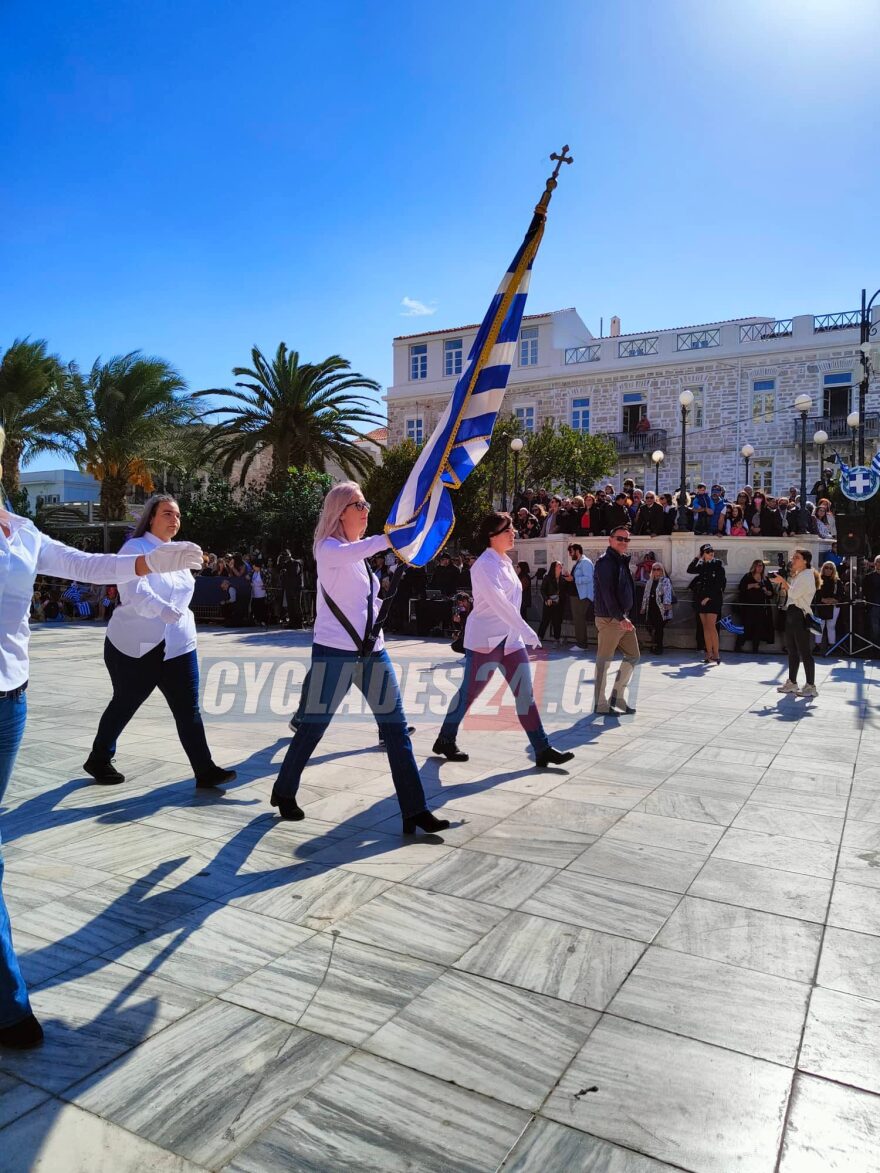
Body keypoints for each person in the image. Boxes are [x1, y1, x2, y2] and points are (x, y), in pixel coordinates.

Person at [0, 429, 203, 1051]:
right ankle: (8, 1004)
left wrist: (154, 560)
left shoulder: (19, 531)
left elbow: (88, 566)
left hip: (10, 702)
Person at [272, 482, 448, 835]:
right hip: (335, 652)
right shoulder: (328, 549)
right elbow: (364, 550)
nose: (367, 509)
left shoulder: (356, 555)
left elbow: (363, 602)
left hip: (372, 652)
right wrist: (393, 537)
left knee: (397, 731)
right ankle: (284, 791)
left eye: (366, 503)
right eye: (359, 504)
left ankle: (414, 809)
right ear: (340, 511)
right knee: (312, 729)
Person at [85, 495, 236, 788]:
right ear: (151, 517)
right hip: (135, 646)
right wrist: (161, 609)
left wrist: (174, 616)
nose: (174, 520)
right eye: (167, 513)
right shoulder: (135, 548)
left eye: (178, 515)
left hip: (179, 645)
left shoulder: (179, 553)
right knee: (125, 703)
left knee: (188, 709)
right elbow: (133, 591)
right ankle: (99, 757)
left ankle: (204, 770)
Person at [433, 512, 574, 769]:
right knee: (469, 694)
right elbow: (500, 604)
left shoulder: (505, 561)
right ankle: (445, 739)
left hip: (511, 639)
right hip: (486, 640)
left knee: (525, 695)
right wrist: (528, 630)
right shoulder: (483, 566)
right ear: (492, 536)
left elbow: (511, 603)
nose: (514, 533)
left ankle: (542, 748)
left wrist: (520, 632)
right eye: (507, 530)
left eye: (512, 529)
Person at [593, 526, 640, 714]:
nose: (623, 542)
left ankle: (617, 696)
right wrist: (620, 617)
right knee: (604, 661)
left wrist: (625, 616)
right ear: (610, 540)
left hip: (622, 618)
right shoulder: (605, 562)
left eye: (626, 540)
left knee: (634, 655)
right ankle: (600, 704)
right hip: (610, 618)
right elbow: (607, 593)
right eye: (619, 539)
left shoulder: (620, 561)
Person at [773, 549, 820, 697]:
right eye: (793, 557)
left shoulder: (807, 575)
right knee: (792, 650)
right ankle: (792, 682)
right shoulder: (799, 575)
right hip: (792, 613)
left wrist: (783, 582)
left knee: (805, 651)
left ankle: (811, 686)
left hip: (800, 614)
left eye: (797, 558)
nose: (793, 560)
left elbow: (793, 593)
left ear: (805, 561)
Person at [687, 543, 726, 665]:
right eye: (708, 551)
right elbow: (690, 569)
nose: (711, 553)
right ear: (703, 553)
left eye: (712, 551)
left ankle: (716, 654)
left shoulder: (718, 564)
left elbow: (720, 584)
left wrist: (708, 598)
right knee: (705, 627)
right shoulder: (702, 565)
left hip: (713, 599)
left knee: (711, 626)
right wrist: (698, 557)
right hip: (701, 598)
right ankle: (708, 653)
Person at [735, 560, 776, 653]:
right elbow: (741, 587)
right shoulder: (748, 576)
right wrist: (754, 585)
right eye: (758, 566)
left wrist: (766, 591)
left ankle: (755, 648)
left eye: (761, 566)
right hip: (749, 607)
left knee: (759, 627)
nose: (760, 567)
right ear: (754, 566)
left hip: (761, 607)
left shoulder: (765, 578)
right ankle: (738, 646)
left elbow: (772, 593)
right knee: (745, 626)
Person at [565, 544, 594, 650]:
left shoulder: (585, 562)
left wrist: (573, 579)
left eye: (571, 552)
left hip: (582, 596)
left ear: (577, 551)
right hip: (577, 596)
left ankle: (582, 644)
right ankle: (581, 643)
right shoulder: (579, 563)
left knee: (579, 619)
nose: (569, 554)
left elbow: (589, 578)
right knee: (578, 619)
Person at [640, 561, 673, 653]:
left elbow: (667, 593)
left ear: (662, 570)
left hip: (661, 608)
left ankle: (659, 647)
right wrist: (643, 607)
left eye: (658, 569)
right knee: (651, 626)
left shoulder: (665, 581)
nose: (656, 571)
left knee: (659, 628)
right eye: (654, 569)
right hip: (651, 607)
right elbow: (645, 595)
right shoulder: (649, 581)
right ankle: (654, 644)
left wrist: (667, 604)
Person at [813, 561, 844, 653]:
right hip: (821, 606)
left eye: (831, 568)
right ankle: (817, 646)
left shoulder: (837, 581)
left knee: (831, 626)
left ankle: (832, 646)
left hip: (834, 606)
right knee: (820, 626)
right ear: (823, 568)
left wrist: (835, 600)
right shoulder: (818, 579)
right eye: (826, 567)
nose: (828, 570)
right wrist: (823, 600)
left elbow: (841, 594)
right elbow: (815, 593)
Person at [538, 560, 566, 644]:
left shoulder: (562, 578)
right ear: (554, 567)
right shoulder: (547, 577)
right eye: (558, 565)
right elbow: (542, 590)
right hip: (549, 603)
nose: (560, 566)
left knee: (557, 622)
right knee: (545, 621)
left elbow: (565, 591)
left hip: (559, 604)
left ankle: (556, 639)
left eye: (561, 565)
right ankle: (539, 638)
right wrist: (546, 599)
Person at [863, 555, 880, 650]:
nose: (879, 564)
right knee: (874, 628)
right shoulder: (869, 577)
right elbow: (865, 591)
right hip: (874, 605)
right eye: (878, 562)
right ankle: (874, 648)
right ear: (875, 564)